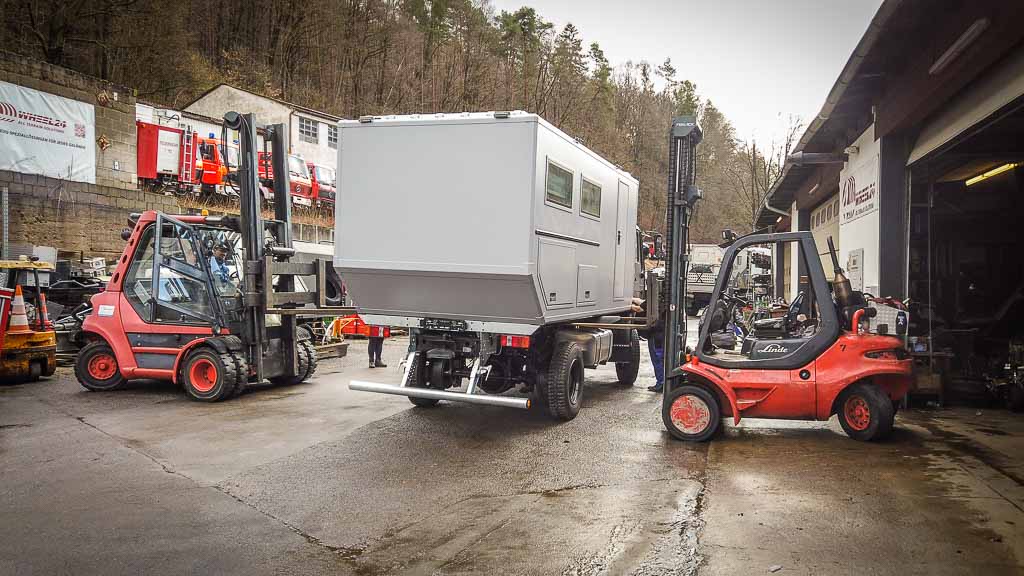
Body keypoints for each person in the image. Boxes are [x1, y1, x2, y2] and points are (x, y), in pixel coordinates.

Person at [632, 297, 664, 393]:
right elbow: (642, 302)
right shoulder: (659, 300)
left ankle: (661, 383)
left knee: (657, 359)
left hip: (656, 336)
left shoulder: (654, 301)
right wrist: (632, 299)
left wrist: (625, 304)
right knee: (660, 359)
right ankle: (662, 382)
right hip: (660, 334)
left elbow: (638, 308)